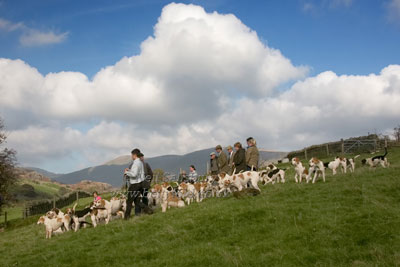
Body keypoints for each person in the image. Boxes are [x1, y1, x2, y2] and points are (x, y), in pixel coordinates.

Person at [124, 148, 146, 219]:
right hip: (139, 183)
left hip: (134, 184)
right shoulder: (140, 163)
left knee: (129, 201)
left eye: (132, 155)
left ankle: (126, 217)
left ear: (134, 155)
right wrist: (130, 170)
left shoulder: (136, 163)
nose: (131, 157)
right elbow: (137, 172)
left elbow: (134, 175)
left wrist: (126, 173)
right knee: (137, 202)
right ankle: (149, 210)